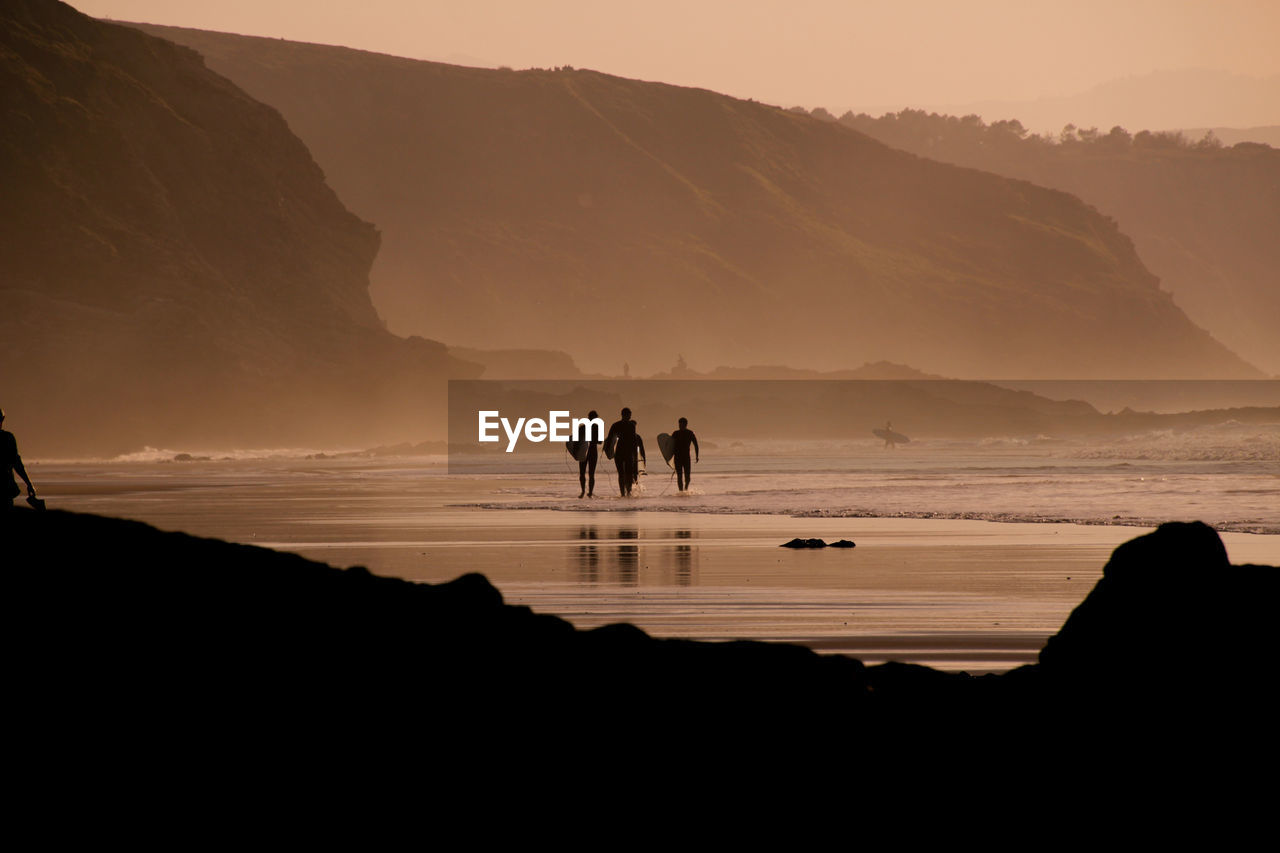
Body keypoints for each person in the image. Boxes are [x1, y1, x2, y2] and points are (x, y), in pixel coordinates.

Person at [1, 407, 37, 510]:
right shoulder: (7, 438)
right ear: (2, 419)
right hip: (5, 488)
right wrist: (29, 484)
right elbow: (17, 464)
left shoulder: (7, 438)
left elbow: (16, 462)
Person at [605, 407, 645, 497]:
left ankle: (626, 493)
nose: (629, 416)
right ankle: (626, 493)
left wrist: (608, 450)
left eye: (630, 415)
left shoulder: (616, 425)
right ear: (624, 415)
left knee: (625, 474)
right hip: (625, 451)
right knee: (624, 474)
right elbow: (611, 439)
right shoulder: (630, 425)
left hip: (623, 451)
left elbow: (609, 439)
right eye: (628, 415)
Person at [576, 410, 602, 498]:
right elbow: (600, 442)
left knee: (582, 473)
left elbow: (576, 441)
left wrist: (576, 452)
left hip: (583, 451)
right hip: (592, 451)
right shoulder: (597, 428)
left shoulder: (582, 427)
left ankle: (583, 491)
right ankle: (589, 492)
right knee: (591, 474)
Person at [671, 417, 699, 491]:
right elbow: (670, 445)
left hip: (686, 457)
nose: (680, 426)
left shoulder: (690, 433)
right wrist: (669, 457)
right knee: (679, 476)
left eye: (682, 424)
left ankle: (686, 488)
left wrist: (697, 456)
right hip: (677, 458)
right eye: (679, 424)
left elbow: (696, 444)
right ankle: (681, 491)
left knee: (688, 477)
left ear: (686, 424)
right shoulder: (675, 433)